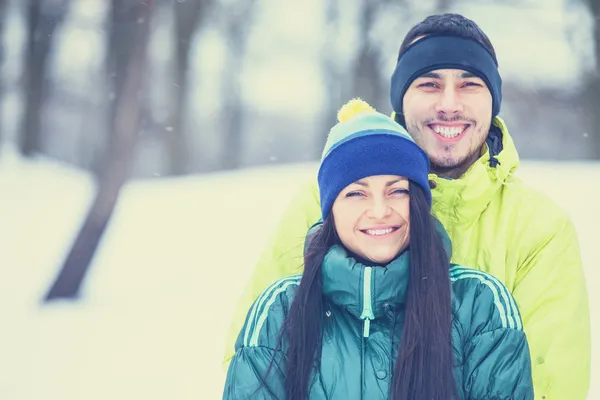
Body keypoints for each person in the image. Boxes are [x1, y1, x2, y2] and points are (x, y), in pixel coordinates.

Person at [224, 14, 590, 399]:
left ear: (493, 100)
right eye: (429, 84)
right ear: (402, 98)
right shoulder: (323, 204)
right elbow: (255, 355)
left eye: (470, 84)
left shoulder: (539, 228)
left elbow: (550, 385)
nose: (449, 104)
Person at [223, 99, 534, 399]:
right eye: (356, 193)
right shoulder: (279, 311)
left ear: (418, 202)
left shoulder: (479, 304)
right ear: (331, 209)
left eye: (397, 190)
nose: (380, 210)